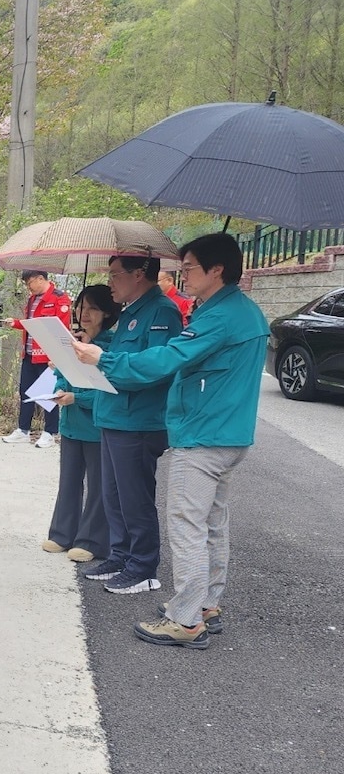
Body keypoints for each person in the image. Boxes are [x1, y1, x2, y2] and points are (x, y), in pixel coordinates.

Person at [73, 233, 268, 649]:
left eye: (190, 266)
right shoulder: (234, 310)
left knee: (188, 526)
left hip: (203, 434)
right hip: (225, 432)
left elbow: (167, 358)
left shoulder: (220, 316)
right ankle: (206, 605)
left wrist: (103, 358)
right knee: (212, 524)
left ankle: (186, 619)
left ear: (217, 269)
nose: (182, 274)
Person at [79, 254, 182, 594]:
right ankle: (120, 555)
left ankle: (143, 566)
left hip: (138, 419)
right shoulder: (129, 314)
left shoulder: (161, 312)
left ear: (139, 274)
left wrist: (103, 360)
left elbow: (155, 367)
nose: (110, 282)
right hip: (114, 414)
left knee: (134, 496)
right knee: (113, 494)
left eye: (115, 275)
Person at [42, 285, 119, 562]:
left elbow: (107, 389)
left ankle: (92, 540)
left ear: (107, 312)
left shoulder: (110, 349)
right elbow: (63, 373)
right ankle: (62, 534)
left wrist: (79, 398)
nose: (84, 314)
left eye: (93, 309)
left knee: (98, 485)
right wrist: (62, 389)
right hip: (71, 424)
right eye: (81, 307)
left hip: (97, 427)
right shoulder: (75, 342)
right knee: (69, 480)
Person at [2, 269, 72, 449]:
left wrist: (57, 356)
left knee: (49, 394)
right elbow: (31, 324)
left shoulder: (59, 298)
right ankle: (23, 430)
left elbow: (62, 329)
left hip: (48, 357)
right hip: (29, 353)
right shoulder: (32, 300)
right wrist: (16, 323)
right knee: (25, 392)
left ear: (40, 279)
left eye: (29, 283)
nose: (28, 287)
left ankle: (50, 432)